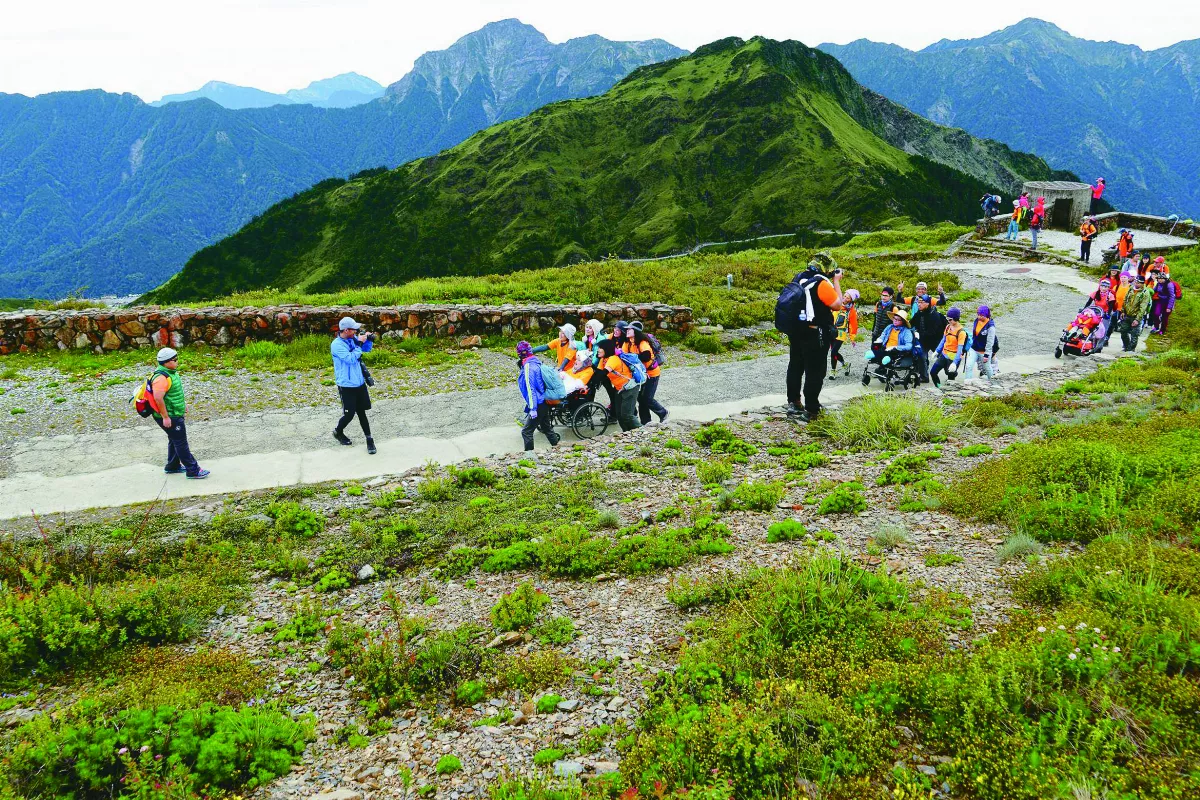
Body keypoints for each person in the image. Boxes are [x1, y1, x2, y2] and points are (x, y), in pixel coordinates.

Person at [774, 253, 843, 421]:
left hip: (796, 331)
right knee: (815, 371)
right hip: (815, 333)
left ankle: (794, 402)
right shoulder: (821, 283)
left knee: (795, 366)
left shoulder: (799, 277)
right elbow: (837, 305)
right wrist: (836, 281)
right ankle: (811, 409)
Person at [148, 347, 209, 479]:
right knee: (181, 442)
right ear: (165, 362)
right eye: (174, 360)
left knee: (174, 439)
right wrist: (165, 417)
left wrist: (183, 404)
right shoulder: (161, 378)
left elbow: (172, 394)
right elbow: (158, 398)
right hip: (170, 416)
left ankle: (173, 466)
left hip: (174, 413)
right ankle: (193, 470)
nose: (177, 362)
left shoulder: (171, 373)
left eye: (177, 359)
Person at [331, 317, 377, 454]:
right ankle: (338, 432)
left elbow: (365, 350)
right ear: (346, 330)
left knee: (362, 412)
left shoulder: (353, 339)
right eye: (354, 329)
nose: (356, 331)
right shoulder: (337, 345)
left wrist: (368, 340)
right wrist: (359, 344)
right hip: (346, 385)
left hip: (359, 382)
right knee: (349, 414)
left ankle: (369, 440)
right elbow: (350, 358)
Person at [516, 341, 561, 451]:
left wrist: (533, 408)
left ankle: (530, 455)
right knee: (546, 428)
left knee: (526, 431)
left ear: (520, 354)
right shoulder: (536, 362)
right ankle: (558, 449)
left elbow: (531, 389)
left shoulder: (528, 367)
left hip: (538, 403)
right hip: (544, 401)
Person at [627, 320, 669, 424]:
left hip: (652, 374)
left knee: (647, 398)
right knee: (641, 399)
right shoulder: (631, 343)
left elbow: (646, 356)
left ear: (635, 331)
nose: (627, 331)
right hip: (643, 375)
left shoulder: (642, 343)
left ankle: (663, 413)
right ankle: (646, 422)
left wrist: (634, 358)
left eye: (629, 329)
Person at [596, 338, 641, 431]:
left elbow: (603, 373)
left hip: (630, 387)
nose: (598, 350)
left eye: (600, 348)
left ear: (607, 349)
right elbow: (597, 373)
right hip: (619, 389)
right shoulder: (603, 360)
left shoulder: (613, 359)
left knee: (627, 415)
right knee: (619, 415)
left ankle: (642, 431)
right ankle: (627, 434)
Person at [910, 294, 947, 384]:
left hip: (936, 341)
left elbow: (933, 331)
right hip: (923, 341)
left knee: (943, 357)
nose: (919, 304)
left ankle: (950, 374)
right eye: (918, 302)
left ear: (928, 303)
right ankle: (924, 377)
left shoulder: (935, 315)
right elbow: (910, 324)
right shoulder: (918, 314)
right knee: (921, 356)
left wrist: (919, 334)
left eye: (921, 302)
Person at [930, 308, 967, 388]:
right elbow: (943, 340)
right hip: (944, 354)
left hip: (953, 357)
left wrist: (955, 363)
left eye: (950, 319)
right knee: (933, 372)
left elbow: (960, 349)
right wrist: (937, 351)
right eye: (947, 319)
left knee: (950, 377)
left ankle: (949, 392)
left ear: (956, 319)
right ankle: (939, 387)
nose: (948, 321)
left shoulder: (961, 332)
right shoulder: (948, 327)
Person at [829, 289, 859, 379]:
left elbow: (853, 325)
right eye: (844, 296)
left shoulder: (851, 311)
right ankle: (845, 364)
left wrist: (852, 338)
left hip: (841, 333)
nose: (845, 298)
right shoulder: (836, 304)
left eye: (848, 297)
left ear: (851, 300)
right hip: (831, 331)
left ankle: (833, 371)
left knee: (833, 352)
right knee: (834, 352)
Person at [1118, 276, 1153, 351]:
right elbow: (1125, 300)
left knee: (1134, 334)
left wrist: (1137, 319)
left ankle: (1131, 349)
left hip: (1136, 316)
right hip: (1127, 314)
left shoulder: (1145, 293)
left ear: (1142, 284)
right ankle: (1126, 346)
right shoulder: (1131, 288)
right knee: (1123, 331)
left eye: (1138, 283)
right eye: (1136, 282)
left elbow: (1143, 307)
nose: (1136, 284)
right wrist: (1123, 311)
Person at [965, 305, 998, 379]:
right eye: (978, 314)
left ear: (986, 315)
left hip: (984, 352)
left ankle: (992, 381)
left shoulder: (991, 327)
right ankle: (967, 382)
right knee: (968, 366)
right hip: (974, 348)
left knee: (987, 368)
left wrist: (986, 355)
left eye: (981, 315)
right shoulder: (977, 320)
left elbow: (990, 342)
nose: (979, 317)